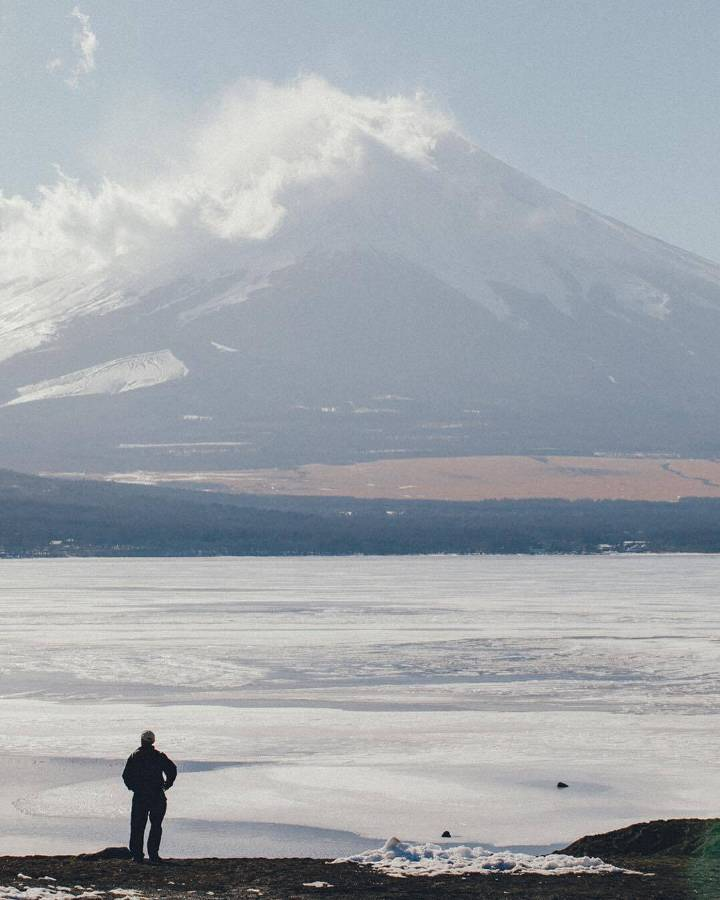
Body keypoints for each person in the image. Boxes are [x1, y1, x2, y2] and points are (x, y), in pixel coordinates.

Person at [122, 730, 177, 863]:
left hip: (141, 795)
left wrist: (134, 787)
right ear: (153, 741)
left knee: (137, 826)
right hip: (157, 795)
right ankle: (153, 855)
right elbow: (172, 769)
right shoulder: (158, 756)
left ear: (141, 740)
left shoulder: (135, 756)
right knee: (156, 825)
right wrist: (167, 784)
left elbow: (126, 775)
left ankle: (137, 856)